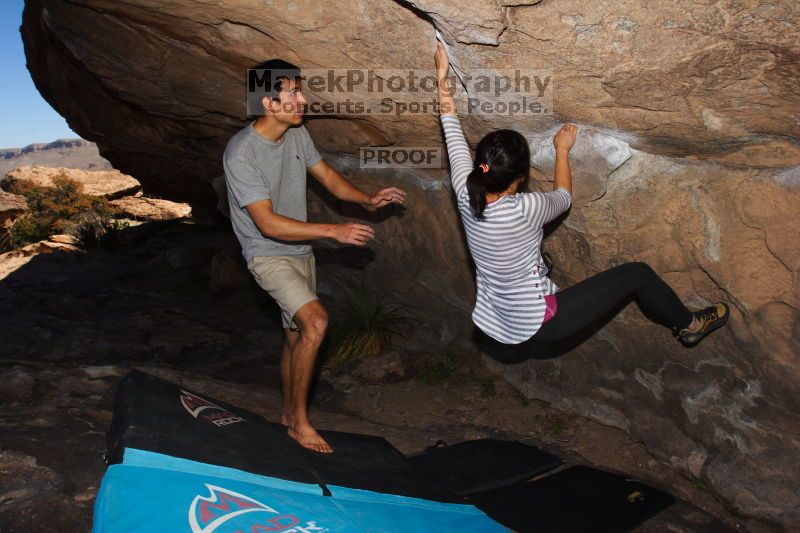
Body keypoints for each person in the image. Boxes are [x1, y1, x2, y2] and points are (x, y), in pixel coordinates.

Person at [433, 43, 729, 363]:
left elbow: (450, 126)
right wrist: (562, 150)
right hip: (541, 323)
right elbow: (563, 197)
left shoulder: (465, 192)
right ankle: (692, 325)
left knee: (537, 260)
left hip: (497, 319)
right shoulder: (523, 209)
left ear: (481, 165)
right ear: (519, 177)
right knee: (639, 274)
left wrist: (440, 73)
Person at [223, 60, 406, 452]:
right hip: (267, 254)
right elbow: (268, 224)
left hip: (299, 252)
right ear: (270, 103)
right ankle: (301, 424)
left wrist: (366, 200)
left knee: (294, 337)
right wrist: (333, 231)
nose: (303, 99)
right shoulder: (241, 154)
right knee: (316, 322)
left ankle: (288, 414)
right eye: (293, 92)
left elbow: (327, 177)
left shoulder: (297, 134)